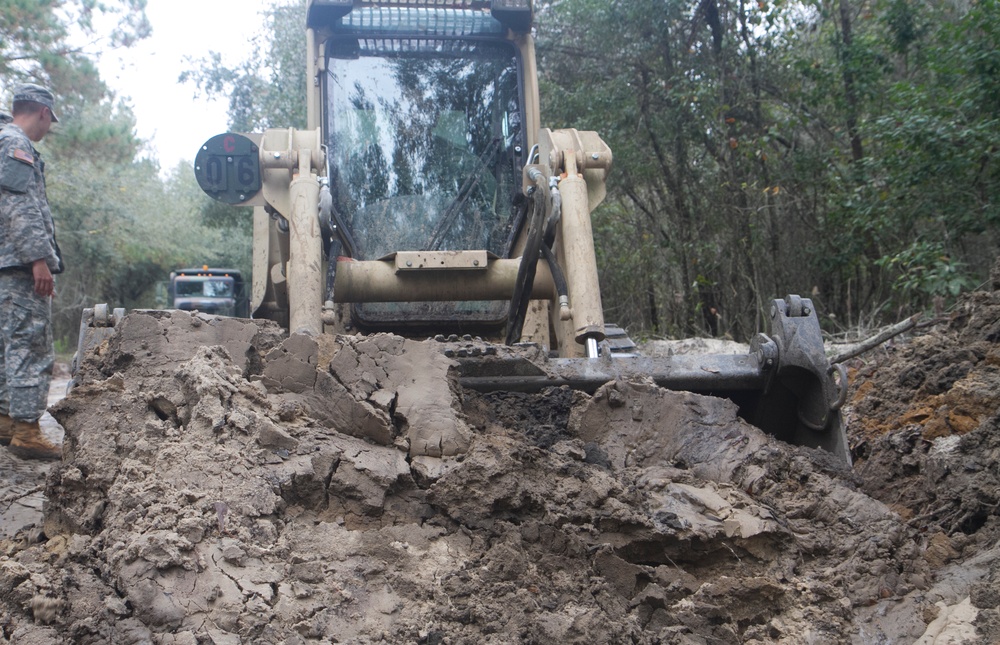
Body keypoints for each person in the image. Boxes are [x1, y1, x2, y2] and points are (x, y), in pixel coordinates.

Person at [0, 83, 63, 461]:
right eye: (50, 121)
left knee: (7, 344)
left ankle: (7, 420)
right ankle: (26, 430)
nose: (49, 129)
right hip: (20, 264)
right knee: (30, 342)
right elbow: (20, 207)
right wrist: (38, 259)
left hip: (6, 264)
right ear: (42, 112)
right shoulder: (15, 144)